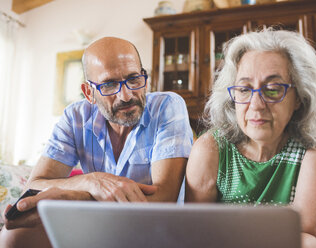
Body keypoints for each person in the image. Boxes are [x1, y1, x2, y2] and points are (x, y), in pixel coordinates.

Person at [0, 37, 193, 247]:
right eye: (109, 85)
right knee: (14, 235)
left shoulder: (168, 106)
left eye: (134, 79)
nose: (126, 95)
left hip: (154, 230)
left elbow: (163, 200)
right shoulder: (75, 117)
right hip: (96, 228)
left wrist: (76, 198)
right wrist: (91, 181)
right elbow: (35, 185)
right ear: (88, 93)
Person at [185, 29, 316, 248]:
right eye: (244, 89)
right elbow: (196, 231)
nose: (256, 105)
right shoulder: (209, 147)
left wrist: (231, 226)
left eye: (273, 89)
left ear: (299, 97)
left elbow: (308, 224)